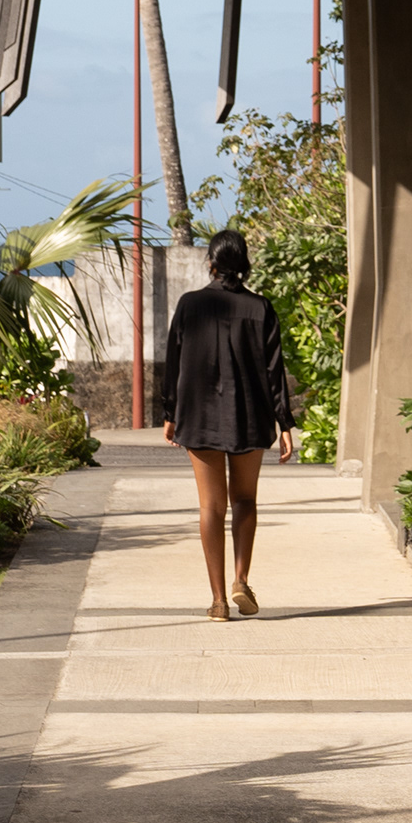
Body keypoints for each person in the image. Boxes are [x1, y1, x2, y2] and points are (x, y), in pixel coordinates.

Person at [157, 229, 300, 620]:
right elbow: (275, 370)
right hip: (250, 416)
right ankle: (242, 578)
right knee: (245, 500)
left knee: (211, 506)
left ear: (212, 262)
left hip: (200, 415)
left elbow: (174, 362)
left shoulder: (189, 305)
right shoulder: (261, 308)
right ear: (244, 263)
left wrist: (170, 413)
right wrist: (285, 422)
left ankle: (218, 601)